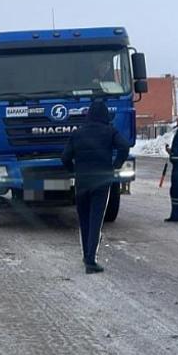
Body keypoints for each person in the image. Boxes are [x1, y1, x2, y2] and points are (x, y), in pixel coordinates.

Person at [62, 100, 131, 274]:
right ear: (105, 115)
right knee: (96, 221)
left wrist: (74, 170)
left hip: (82, 181)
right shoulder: (110, 132)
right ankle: (91, 260)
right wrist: (115, 165)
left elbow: (64, 158)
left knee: (84, 220)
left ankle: (86, 255)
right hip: (101, 182)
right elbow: (124, 147)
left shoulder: (77, 134)